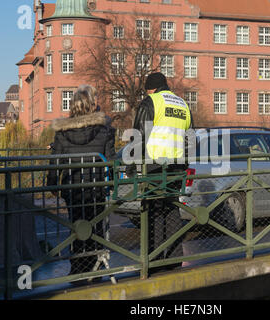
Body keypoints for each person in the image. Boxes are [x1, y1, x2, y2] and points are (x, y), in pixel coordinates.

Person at [47, 87, 116, 275]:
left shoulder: (62, 131)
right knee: (97, 226)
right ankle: (96, 266)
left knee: (77, 225)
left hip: (73, 187)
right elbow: (111, 160)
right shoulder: (103, 129)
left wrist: (52, 183)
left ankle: (77, 267)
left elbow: (56, 159)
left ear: (73, 105)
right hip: (97, 187)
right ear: (91, 105)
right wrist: (113, 183)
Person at [130, 72, 193, 274]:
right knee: (172, 208)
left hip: (155, 164)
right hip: (177, 165)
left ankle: (154, 259)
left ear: (151, 88)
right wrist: (185, 163)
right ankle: (174, 259)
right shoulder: (182, 104)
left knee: (153, 210)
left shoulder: (152, 102)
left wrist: (131, 163)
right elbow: (191, 137)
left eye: (146, 90)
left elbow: (138, 133)